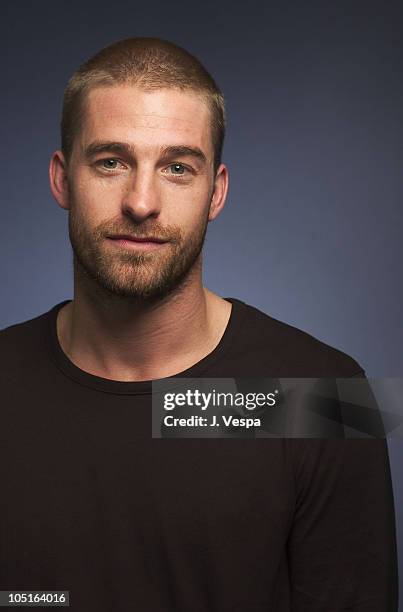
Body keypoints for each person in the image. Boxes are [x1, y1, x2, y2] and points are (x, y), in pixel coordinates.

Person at [0, 37, 397, 611]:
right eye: (111, 161)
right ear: (63, 179)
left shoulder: (332, 397)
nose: (141, 201)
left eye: (178, 168)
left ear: (217, 191)